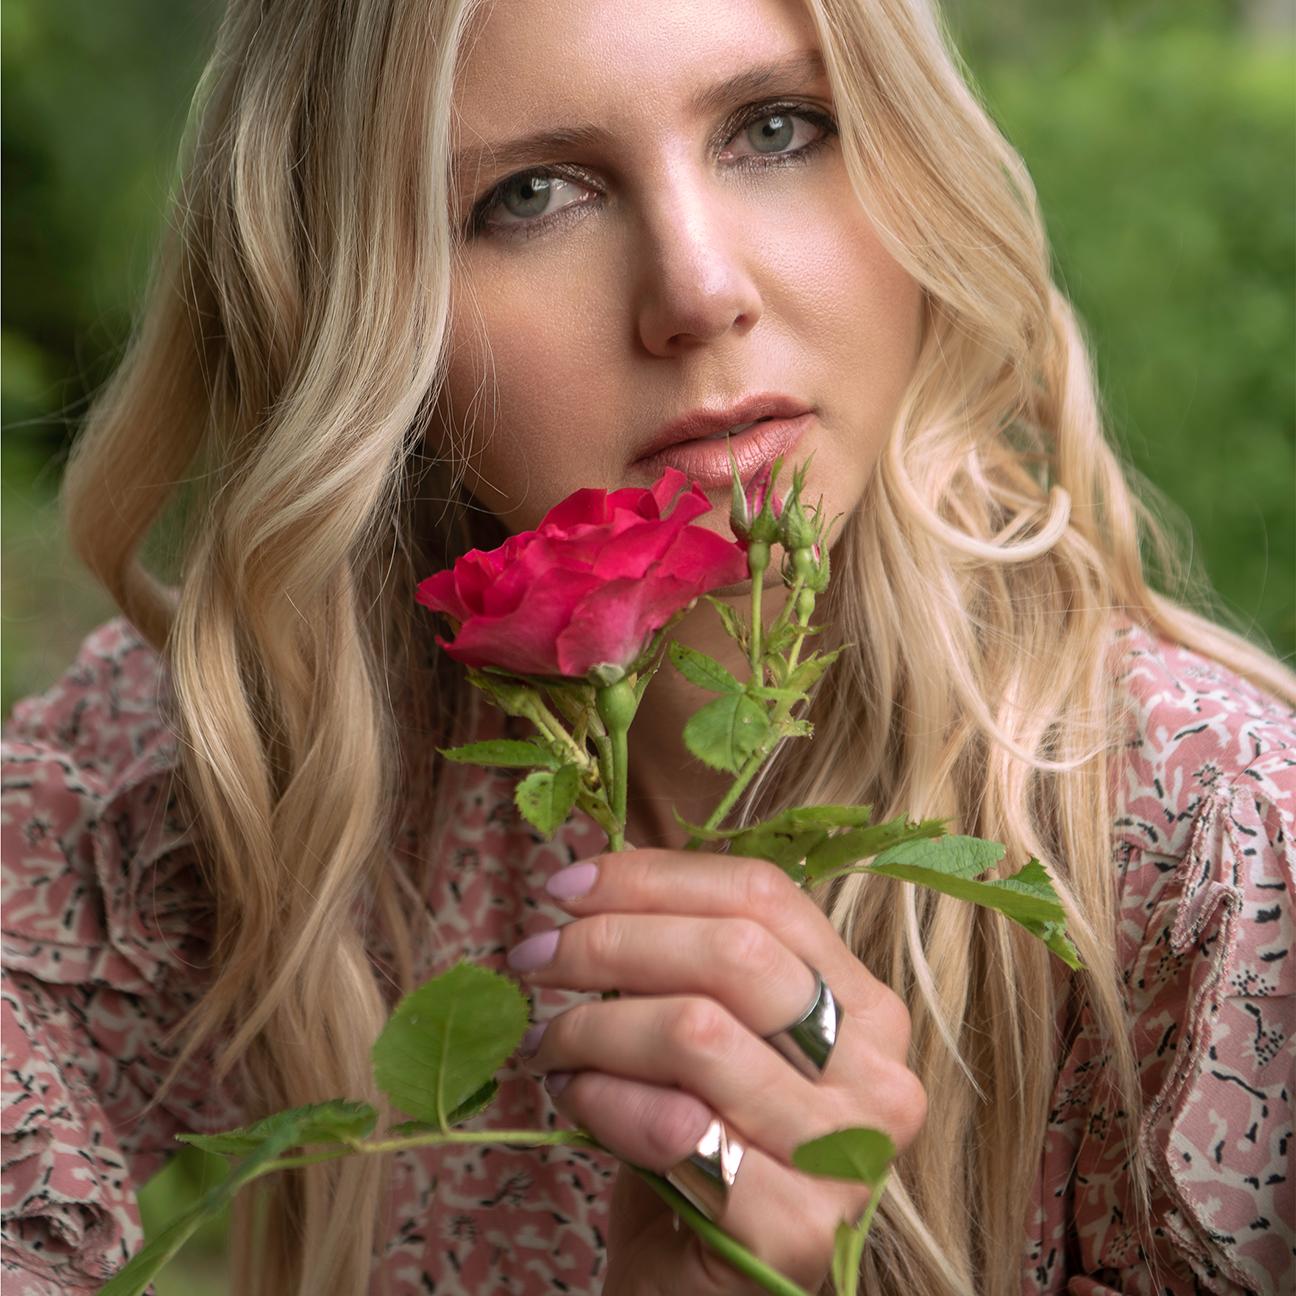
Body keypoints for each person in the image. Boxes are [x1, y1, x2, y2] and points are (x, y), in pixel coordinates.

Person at [2, 0, 1292, 1292]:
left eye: (777, 129)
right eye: (532, 196)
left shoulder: (1213, 857)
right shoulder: (272, 747)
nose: (697, 291)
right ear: (355, 301)